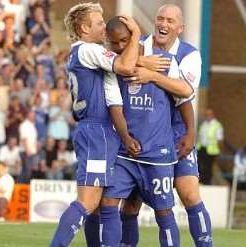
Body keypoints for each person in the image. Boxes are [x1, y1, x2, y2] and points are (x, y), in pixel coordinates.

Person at [117, 4, 214, 247]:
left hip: (177, 133)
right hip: (144, 134)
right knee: (131, 203)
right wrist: (141, 60)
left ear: (180, 28)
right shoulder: (139, 47)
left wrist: (152, 73)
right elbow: (121, 62)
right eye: (160, 18)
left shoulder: (189, 54)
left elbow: (185, 91)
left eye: (170, 21)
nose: (163, 24)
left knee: (190, 194)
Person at [94, 15, 193, 246]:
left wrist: (191, 132)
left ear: (133, 36)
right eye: (114, 42)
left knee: (163, 211)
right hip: (123, 152)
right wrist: (139, 61)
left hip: (157, 155)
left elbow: (185, 95)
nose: (119, 47)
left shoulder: (163, 61)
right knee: (110, 203)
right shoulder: (111, 62)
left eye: (124, 41)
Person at [49, 3, 141, 246]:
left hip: (102, 132)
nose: (104, 26)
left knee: (104, 204)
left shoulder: (91, 55)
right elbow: (125, 65)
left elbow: (116, 92)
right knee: (89, 202)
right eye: (99, 23)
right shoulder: (87, 50)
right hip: (95, 131)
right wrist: (137, 35)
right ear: (84, 28)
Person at [197, 108, 224, 185]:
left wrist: (220, 151)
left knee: (208, 167)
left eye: (209, 114)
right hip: (201, 148)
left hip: (211, 150)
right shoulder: (204, 124)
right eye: (206, 115)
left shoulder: (217, 125)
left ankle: (206, 182)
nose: (207, 116)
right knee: (199, 165)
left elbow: (220, 140)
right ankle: (200, 181)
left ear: (213, 115)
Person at [19, 111, 38, 183]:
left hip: (31, 151)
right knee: (26, 172)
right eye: (32, 115)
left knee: (26, 171)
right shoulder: (24, 125)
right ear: (28, 115)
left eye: (34, 115)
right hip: (26, 151)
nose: (33, 117)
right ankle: (21, 185)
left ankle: (22, 186)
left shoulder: (32, 125)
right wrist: (27, 150)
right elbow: (24, 139)